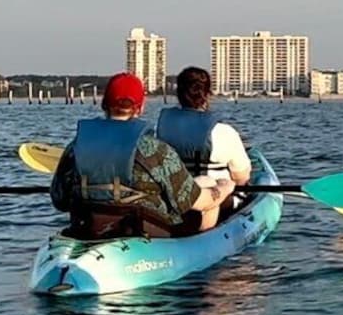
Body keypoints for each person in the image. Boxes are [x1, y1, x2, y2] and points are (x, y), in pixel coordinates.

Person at [50, 72, 236, 240]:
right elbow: (197, 202)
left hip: (90, 226)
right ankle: (202, 246)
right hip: (149, 230)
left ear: (104, 104)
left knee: (202, 181)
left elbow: (60, 200)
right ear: (140, 108)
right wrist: (224, 188)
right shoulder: (155, 150)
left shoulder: (76, 147)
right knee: (207, 183)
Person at [155, 66, 253, 218]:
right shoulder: (224, 132)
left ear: (178, 94)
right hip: (217, 202)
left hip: (175, 201)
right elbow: (242, 178)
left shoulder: (160, 129)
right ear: (207, 95)